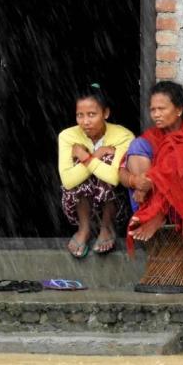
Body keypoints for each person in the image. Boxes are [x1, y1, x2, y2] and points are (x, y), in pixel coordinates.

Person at [119, 81, 183, 263]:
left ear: (179, 110)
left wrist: (149, 183)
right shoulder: (153, 135)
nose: (156, 115)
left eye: (162, 109)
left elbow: (173, 168)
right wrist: (136, 182)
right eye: (153, 110)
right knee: (137, 146)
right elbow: (122, 171)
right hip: (152, 196)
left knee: (177, 166)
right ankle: (150, 212)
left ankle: (158, 215)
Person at [57, 84, 134, 258]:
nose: (85, 121)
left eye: (92, 114)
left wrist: (87, 157)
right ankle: (84, 228)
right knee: (85, 166)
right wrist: (93, 157)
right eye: (80, 115)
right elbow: (68, 181)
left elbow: (115, 178)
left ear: (105, 113)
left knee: (107, 161)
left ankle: (106, 227)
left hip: (115, 205)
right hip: (78, 205)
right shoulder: (67, 136)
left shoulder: (123, 136)